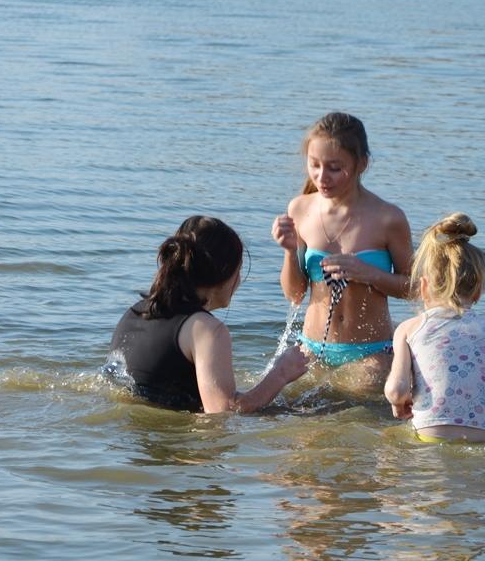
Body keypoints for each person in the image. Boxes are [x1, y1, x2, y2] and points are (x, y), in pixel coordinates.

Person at [107, 216, 309, 413]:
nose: (238, 282)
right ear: (225, 274)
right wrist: (281, 373)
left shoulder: (136, 311)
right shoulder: (207, 330)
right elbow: (223, 412)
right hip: (179, 442)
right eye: (238, 271)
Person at [271, 113, 413, 375]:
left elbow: (416, 289)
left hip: (371, 354)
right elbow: (295, 294)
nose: (322, 177)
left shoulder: (388, 218)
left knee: (354, 410)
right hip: (311, 349)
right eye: (314, 165)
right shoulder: (300, 208)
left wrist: (368, 273)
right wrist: (290, 251)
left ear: (362, 164)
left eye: (335, 168)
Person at [383, 213, 485, 443]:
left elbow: (396, 391)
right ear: (478, 290)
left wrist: (397, 403)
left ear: (423, 287)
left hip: (429, 433)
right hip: (482, 437)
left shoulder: (409, 329)